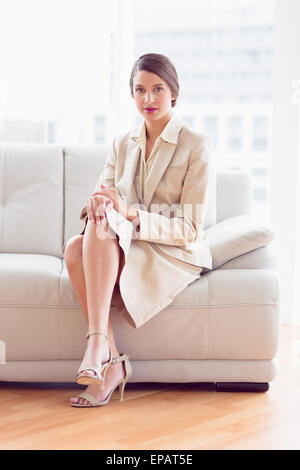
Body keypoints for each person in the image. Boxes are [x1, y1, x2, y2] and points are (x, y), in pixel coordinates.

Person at [64, 53, 214, 408]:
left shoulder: (196, 145)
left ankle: (100, 348)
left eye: (157, 89)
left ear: (173, 93)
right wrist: (99, 203)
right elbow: (100, 195)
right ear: (132, 94)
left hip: (173, 250)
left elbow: (191, 228)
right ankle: (106, 352)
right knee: (77, 244)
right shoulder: (122, 143)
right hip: (128, 241)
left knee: (87, 240)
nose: (148, 99)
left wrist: (129, 213)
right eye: (140, 90)